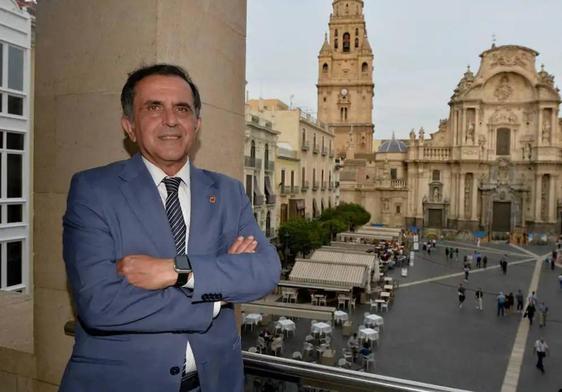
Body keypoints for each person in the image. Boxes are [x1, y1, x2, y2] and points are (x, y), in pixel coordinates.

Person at [60, 64, 281, 392]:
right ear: (129, 126)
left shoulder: (228, 192)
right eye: (153, 107)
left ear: (197, 123)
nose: (171, 119)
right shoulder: (94, 190)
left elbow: (264, 270)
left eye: (182, 108)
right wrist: (216, 294)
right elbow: (100, 306)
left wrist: (178, 271)